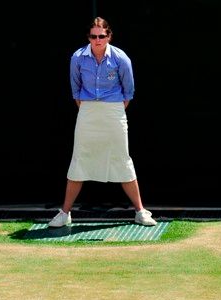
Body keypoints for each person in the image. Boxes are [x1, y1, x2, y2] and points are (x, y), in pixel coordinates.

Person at [49, 17, 156, 228]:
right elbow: (75, 89)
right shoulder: (78, 57)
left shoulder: (120, 58)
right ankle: (65, 213)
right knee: (79, 159)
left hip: (114, 111)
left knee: (122, 158)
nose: (97, 40)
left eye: (101, 36)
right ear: (88, 37)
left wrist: (112, 110)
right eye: (93, 36)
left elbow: (129, 90)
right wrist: (90, 109)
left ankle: (140, 211)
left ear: (109, 36)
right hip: (87, 111)